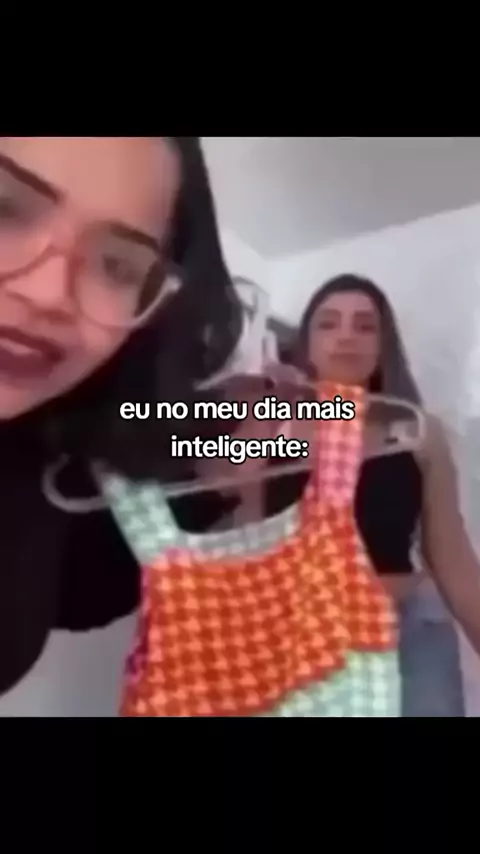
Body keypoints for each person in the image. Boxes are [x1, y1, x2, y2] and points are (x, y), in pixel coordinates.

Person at [0, 136, 244, 712]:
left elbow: (75, 592)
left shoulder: (57, 434)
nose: (49, 295)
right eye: (4, 209)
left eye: (117, 265)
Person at [265, 274, 480, 716]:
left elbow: (453, 557)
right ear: (307, 344)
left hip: (410, 635)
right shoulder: (271, 426)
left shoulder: (416, 431)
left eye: (365, 326)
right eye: (329, 323)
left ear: (384, 345)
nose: (347, 335)